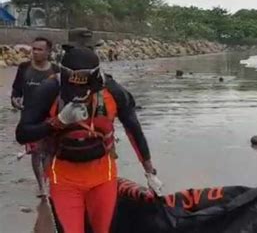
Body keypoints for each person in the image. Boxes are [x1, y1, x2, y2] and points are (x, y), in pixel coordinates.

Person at [16, 47, 163, 233]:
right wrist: (57, 122)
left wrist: (150, 172)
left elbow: (134, 129)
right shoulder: (50, 89)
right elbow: (22, 134)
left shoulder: (113, 91)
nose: (79, 94)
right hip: (63, 177)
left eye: (84, 88)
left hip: (103, 175)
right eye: (73, 88)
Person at [11, 36, 60, 197]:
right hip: (31, 118)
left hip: (51, 118)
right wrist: (15, 100)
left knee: (50, 151)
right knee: (36, 152)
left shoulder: (56, 70)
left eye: (40, 49)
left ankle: (48, 180)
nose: (36, 52)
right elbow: (16, 89)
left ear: (48, 52)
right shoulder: (24, 67)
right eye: (34, 49)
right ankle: (41, 185)